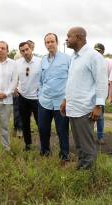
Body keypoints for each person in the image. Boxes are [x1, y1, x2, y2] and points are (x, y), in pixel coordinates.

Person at [61, 27, 108, 170]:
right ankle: (81, 166)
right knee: (79, 143)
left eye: (69, 36)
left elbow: (101, 82)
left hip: (85, 109)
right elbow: (72, 82)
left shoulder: (94, 56)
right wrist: (65, 100)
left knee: (87, 144)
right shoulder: (74, 57)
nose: (66, 39)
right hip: (73, 107)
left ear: (79, 37)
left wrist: (98, 106)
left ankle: (88, 175)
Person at [38, 33, 70, 162]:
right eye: (47, 42)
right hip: (44, 101)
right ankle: (45, 152)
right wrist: (40, 95)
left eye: (52, 41)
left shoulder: (67, 59)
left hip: (61, 102)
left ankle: (64, 156)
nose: (50, 44)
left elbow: (71, 80)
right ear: (45, 44)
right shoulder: (43, 60)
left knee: (62, 130)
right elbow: (40, 80)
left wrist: (67, 98)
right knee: (43, 128)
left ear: (57, 42)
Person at [14, 41, 41, 151]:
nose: (25, 52)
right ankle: (28, 145)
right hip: (22, 97)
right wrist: (14, 87)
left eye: (27, 49)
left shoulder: (40, 61)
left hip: (37, 98)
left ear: (31, 49)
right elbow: (14, 77)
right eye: (22, 51)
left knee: (41, 123)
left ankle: (44, 145)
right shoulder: (17, 63)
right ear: (20, 52)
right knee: (25, 123)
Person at [93, 43, 112, 145]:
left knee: (100, 116)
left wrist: (109, 95)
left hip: (101, 93)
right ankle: (89, 136)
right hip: (90, 93)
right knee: (89, 115)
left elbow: (110, 80)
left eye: (99, 51)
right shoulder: (91, 61)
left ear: (103, 52)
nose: (97, 53)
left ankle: (100, 137)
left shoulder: (107, 63)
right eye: (95, 51)